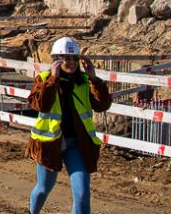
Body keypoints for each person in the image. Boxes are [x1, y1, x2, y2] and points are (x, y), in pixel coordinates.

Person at [26, 36, 111, 214]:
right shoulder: (43, 79)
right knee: (43, 189)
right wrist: (53, 80)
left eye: (74, 58)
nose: (71, 62)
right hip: (50, 144)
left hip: (77, 145)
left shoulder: (84, 82)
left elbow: (102, 105)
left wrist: (94, 79)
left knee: (82, 193)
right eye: (65, 58)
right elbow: (40, 105)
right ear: (56, 60)